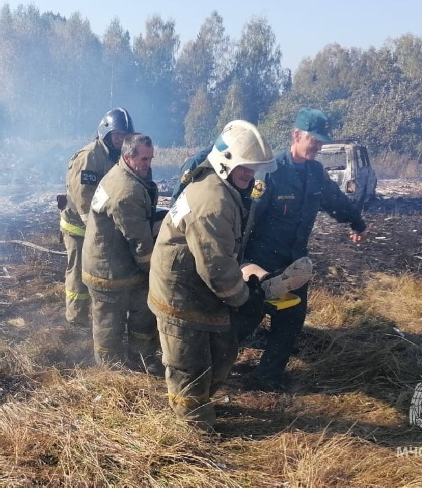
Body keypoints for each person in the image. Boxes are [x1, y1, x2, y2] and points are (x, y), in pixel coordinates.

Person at [147, 120, 277, 431]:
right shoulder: (213, 201)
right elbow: (216, 266)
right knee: (188, 368)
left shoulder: (224, 187)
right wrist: (243, 299)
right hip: (179, 294)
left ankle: (201, 403)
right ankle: (193, 433)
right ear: (226, 162)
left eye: (253, 168)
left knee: (222, 354)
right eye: (245, 167)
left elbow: (219, 259)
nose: (250, 174)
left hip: (200, 288)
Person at [237, 107, 368, 392]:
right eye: (314, 139)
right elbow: (248, 218)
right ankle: (212, 370)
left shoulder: (316, 172)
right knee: (245, 320)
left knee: (290, 321)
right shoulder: (271, 171)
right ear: (296, 135)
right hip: (262, 263)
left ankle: (267, 378)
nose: (318, 146)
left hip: (295, 264)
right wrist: (241, 262)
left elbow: (335, 201)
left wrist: (357, 222)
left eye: (322, 141)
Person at [82, 133, 162, 374]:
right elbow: (140, 242)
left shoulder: (122, 174)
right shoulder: (126, 191)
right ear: (128, 157)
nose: (148, 164)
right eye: (144, 159)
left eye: (151, 158)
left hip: (120, 265)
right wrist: (155, 272)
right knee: (109, 323)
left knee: (142, 312)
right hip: (107, 271)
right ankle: (111, 371)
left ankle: (140, 359)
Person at [58, 107, 134, 326]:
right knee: (79, 271)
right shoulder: (89, 157)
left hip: (101, 226)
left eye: (125, 136)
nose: (121, 140)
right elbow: (84, 198)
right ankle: (76, 318)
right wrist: (96, 230)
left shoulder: (120, 157)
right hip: (79, 226)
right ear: (106, 133)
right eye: (118, 135)